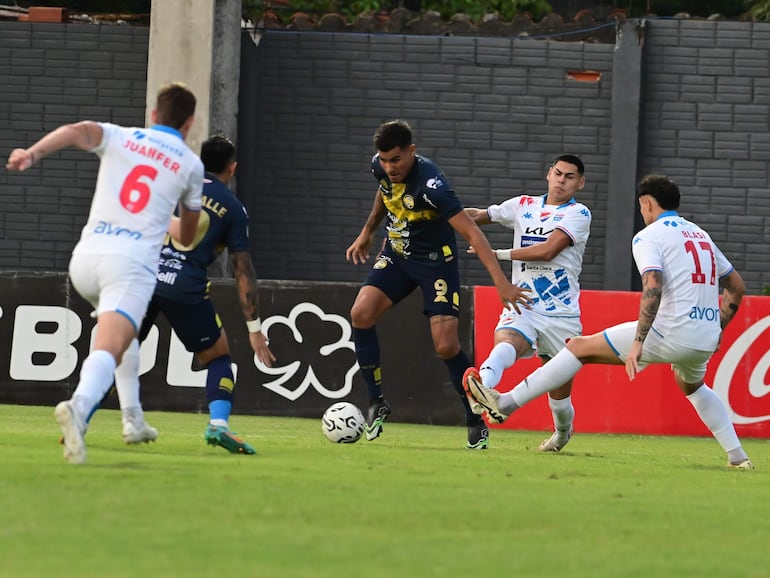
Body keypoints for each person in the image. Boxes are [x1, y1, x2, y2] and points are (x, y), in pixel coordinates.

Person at [465, 174, 753, 469]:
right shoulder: (700, 234)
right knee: (693, 386)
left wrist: (639, 342)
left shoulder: (648, 236)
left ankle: (507, 403)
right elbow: (736, 286)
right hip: (704, 335)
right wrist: (718, 329)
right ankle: (738, 457)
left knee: (578, 347)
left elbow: (652, 285)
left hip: (669, 331)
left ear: (647, 204)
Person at [6, 82, 204, 464]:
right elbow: (186, 234)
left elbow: (76, 130)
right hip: (128, 266)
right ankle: (78, 409)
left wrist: (31, 154)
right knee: (110, 346)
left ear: (153, 115)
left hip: (86, 259)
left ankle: (133, 419)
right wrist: (168, 219)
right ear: (190, 122)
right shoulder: (191, 165)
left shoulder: (121, 136)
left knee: (123, 335)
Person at [345, 119, 531, 450]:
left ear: (412, 152)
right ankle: (376, 401)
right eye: (384, 160)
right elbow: (385, 195)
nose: (389, 168)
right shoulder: (382, 168)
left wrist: (502, 283)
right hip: (398, 255)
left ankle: (474, 419)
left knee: (445, 345)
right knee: (360, 314)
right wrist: (367, 232)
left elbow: (473, 233)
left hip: (435, 265)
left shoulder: (433, 186)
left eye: (396, 160)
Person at [110, 134, 275, 454]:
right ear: (233, 167)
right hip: (185, 287)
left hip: (142, 277)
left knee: (116, 350)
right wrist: (254, 329)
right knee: (218, 357)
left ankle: (80, 416)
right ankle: (218, 425)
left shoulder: (170, 186)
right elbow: (243, 272)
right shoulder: (233, 208)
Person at [463, 154, 591, 452]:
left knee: (560, 396)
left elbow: (548, 251)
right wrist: (443, 214)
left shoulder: (579, 214)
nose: (561, 180)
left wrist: (496, 254)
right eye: (557, 173)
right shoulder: (523, 205)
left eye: (569, 176)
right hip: (523, 302)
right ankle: (483, 388)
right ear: (548, 174)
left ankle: (562, 433)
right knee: (506, 341)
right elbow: (479, 215)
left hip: (562, 315)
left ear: (580, 183)